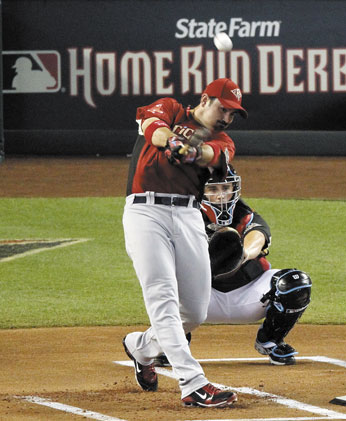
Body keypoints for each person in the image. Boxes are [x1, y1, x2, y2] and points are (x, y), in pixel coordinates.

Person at [122, 78, 247, 408]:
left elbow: (211, 154)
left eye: (233, 114)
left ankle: (140, 347)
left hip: (189, 215)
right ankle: (193, 384)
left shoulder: (224, 141)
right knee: (163, 295)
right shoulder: (172, 109)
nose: (227, 118)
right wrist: (172, 141)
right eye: (224, 109)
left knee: (193, 311)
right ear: (205, 100)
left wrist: (192, 151)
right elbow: (153, 127)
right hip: (145, 212)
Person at [155, 167, 312, 367]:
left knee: (296, 283)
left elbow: (258, 235)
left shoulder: (245, 214)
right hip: (204, 298)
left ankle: (270, 340)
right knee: (162, 281)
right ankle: (175, 344)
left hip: (249, 296)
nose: (221, 195)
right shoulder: (183, 218)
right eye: (213, 189)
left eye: (225, 188)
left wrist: (242, 254)